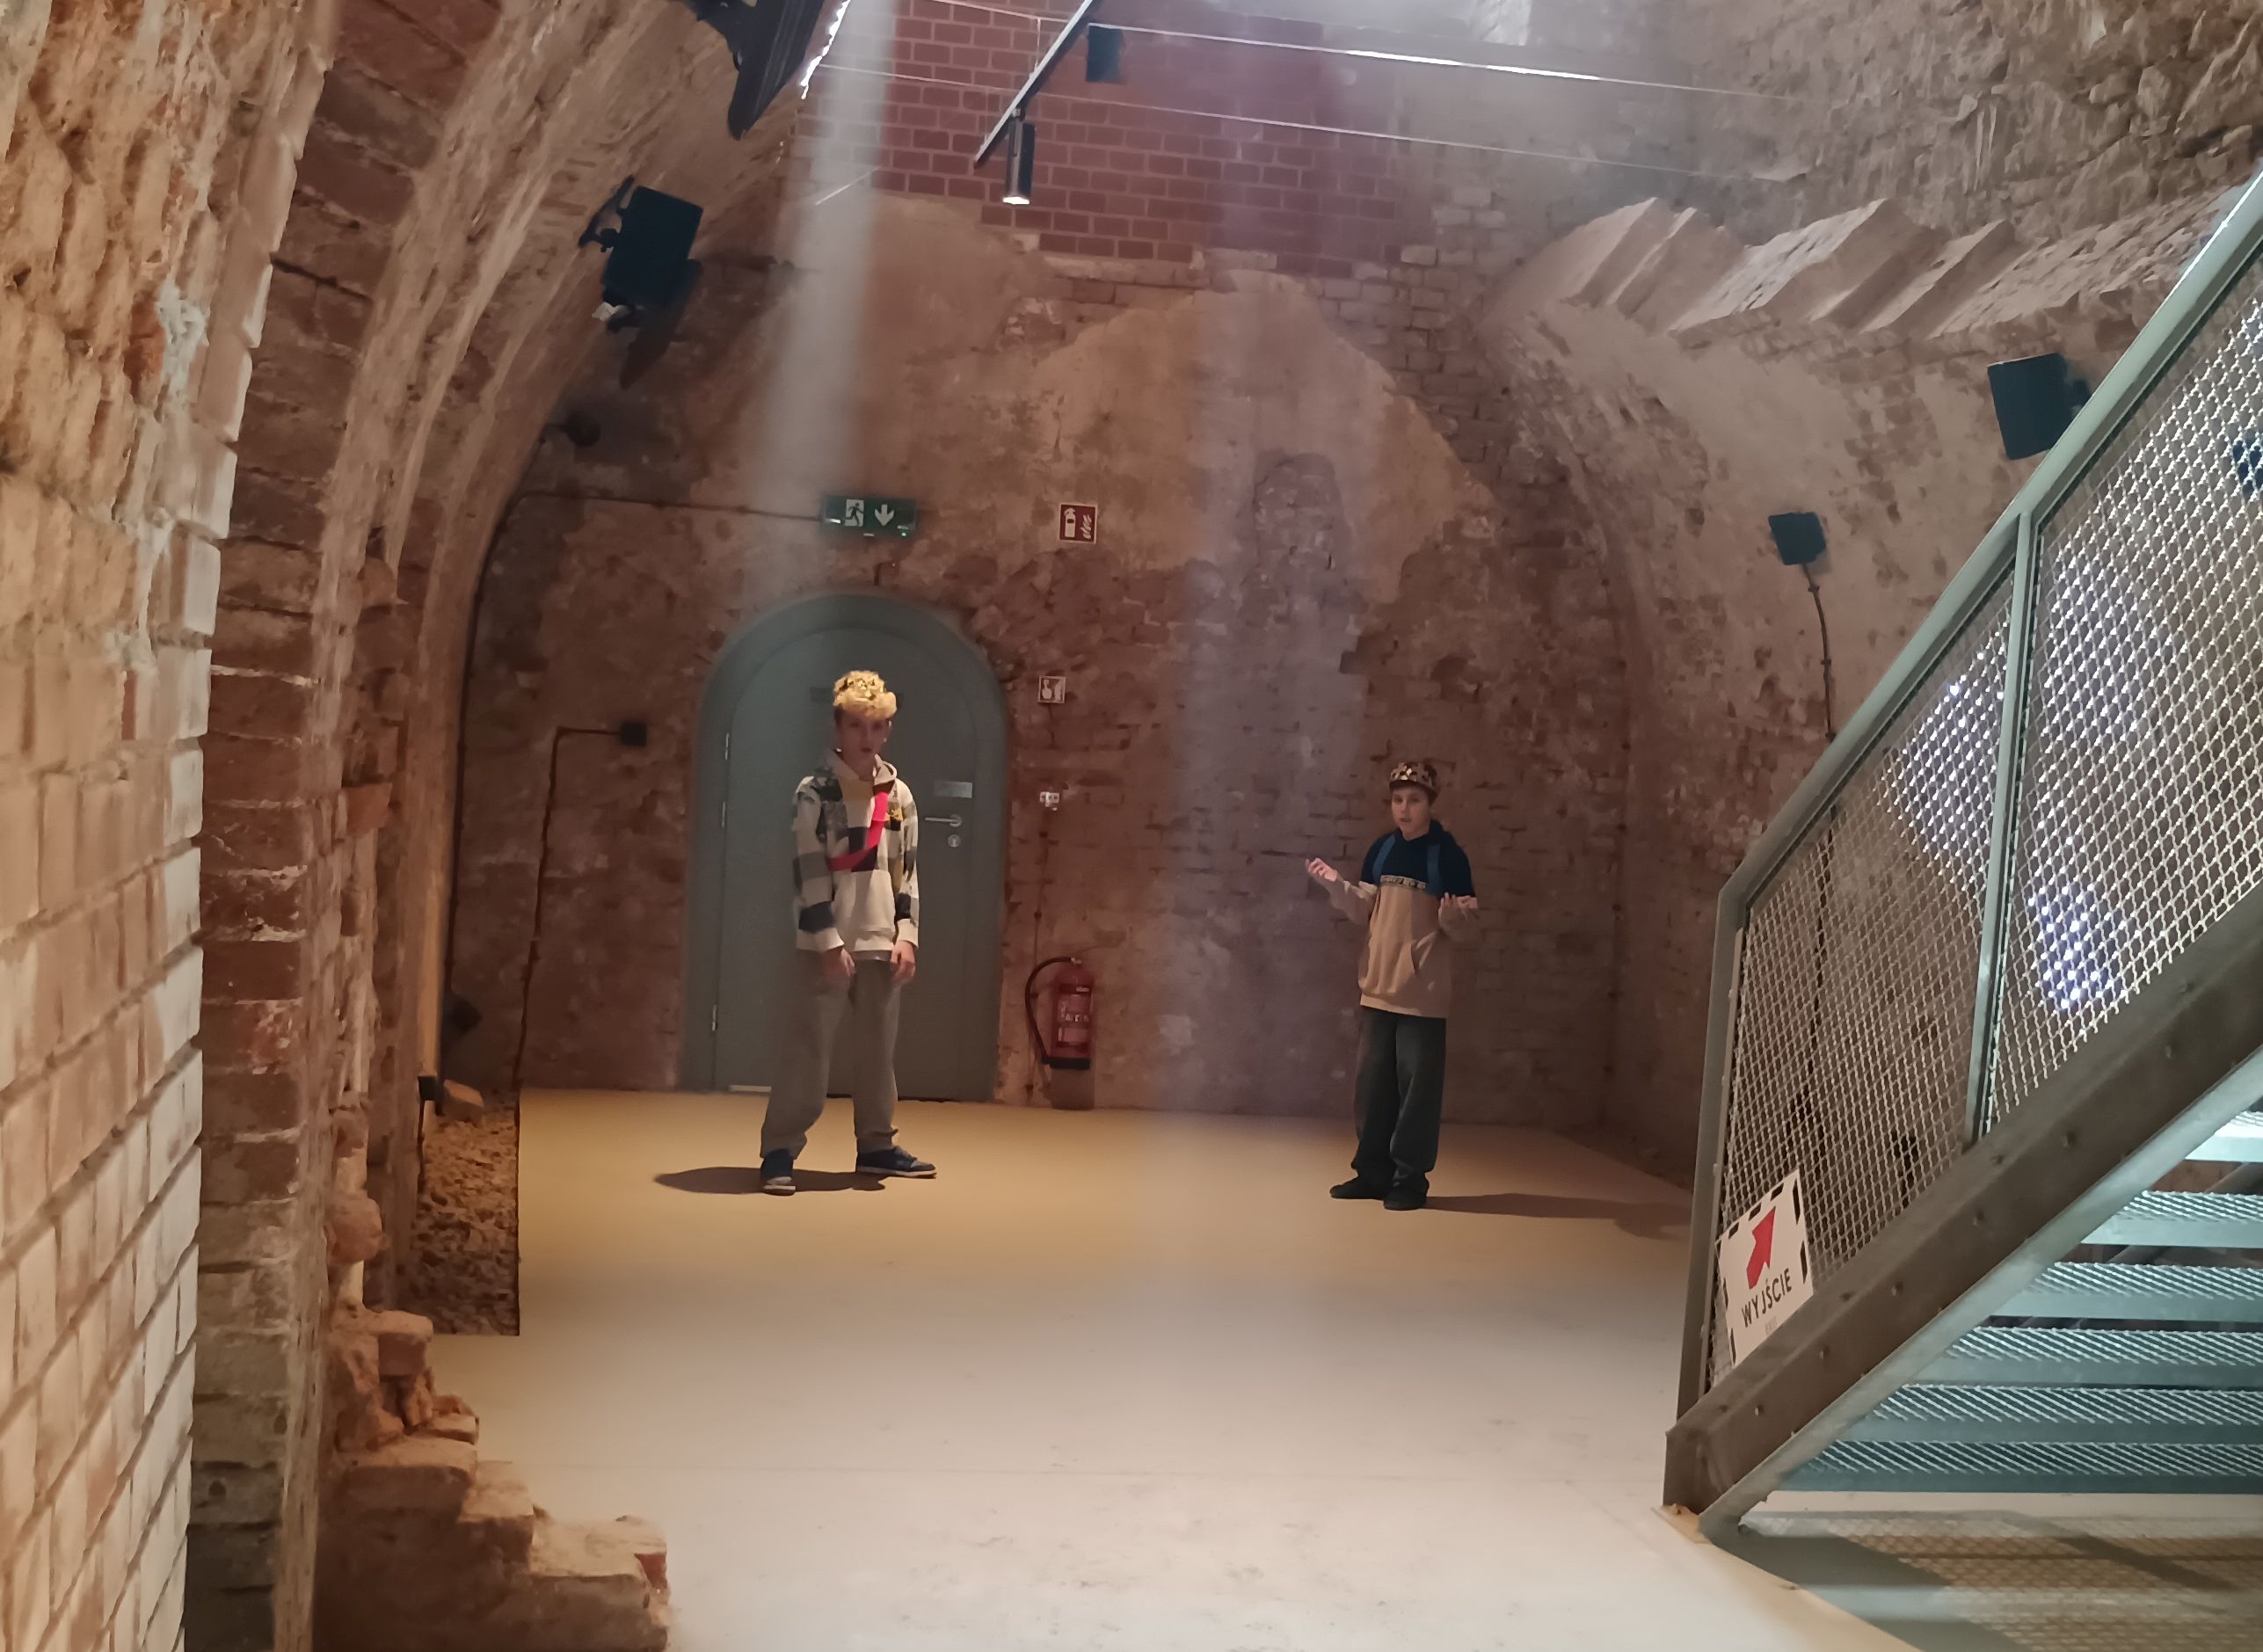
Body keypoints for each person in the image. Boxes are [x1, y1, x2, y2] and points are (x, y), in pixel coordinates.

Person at [760, 670, 936, 1195]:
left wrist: (908, 933)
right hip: (828, 942)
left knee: (879, 1048)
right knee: (809, 1047)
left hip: (883, 938)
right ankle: (780, 1148)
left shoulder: (899, 794)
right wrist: (828, 942)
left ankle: (876, 1144)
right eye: (857, 724)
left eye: (877, 726)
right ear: (838, 726)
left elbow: (907, 871)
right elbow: (809, 871)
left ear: (888, 730)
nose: (867, 736)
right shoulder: (814, 793)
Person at [1306, 760, 1478, 1211]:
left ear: (1430, 803)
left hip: (1422, 995)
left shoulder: (1448, 856)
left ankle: (1409, 1181)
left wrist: (1451, 918)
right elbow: (1365, 909)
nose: (1404, 809)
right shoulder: (1382, 850)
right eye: (1398, 800)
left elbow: (1467, 926)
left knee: (1416, 1093)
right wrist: (1336, 886)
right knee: (1372, 1088)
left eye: (1414, 800)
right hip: (1378, 988)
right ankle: (1372, 1173)